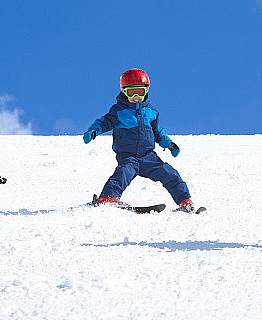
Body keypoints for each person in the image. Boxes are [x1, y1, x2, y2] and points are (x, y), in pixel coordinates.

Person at [83, 68, 197, 212]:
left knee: (169, 173)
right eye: (131, 92)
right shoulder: (118, 111)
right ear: (123, 92)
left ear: (146, 91)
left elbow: (157, 132)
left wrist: (168, 143)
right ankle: (108, 197)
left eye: (140, 92)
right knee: (123, 173)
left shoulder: (152, 112)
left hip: (149, 157)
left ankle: (185, 201)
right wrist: (93, 130)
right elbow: (104, 122)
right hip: (128, 156)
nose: (136, 96)